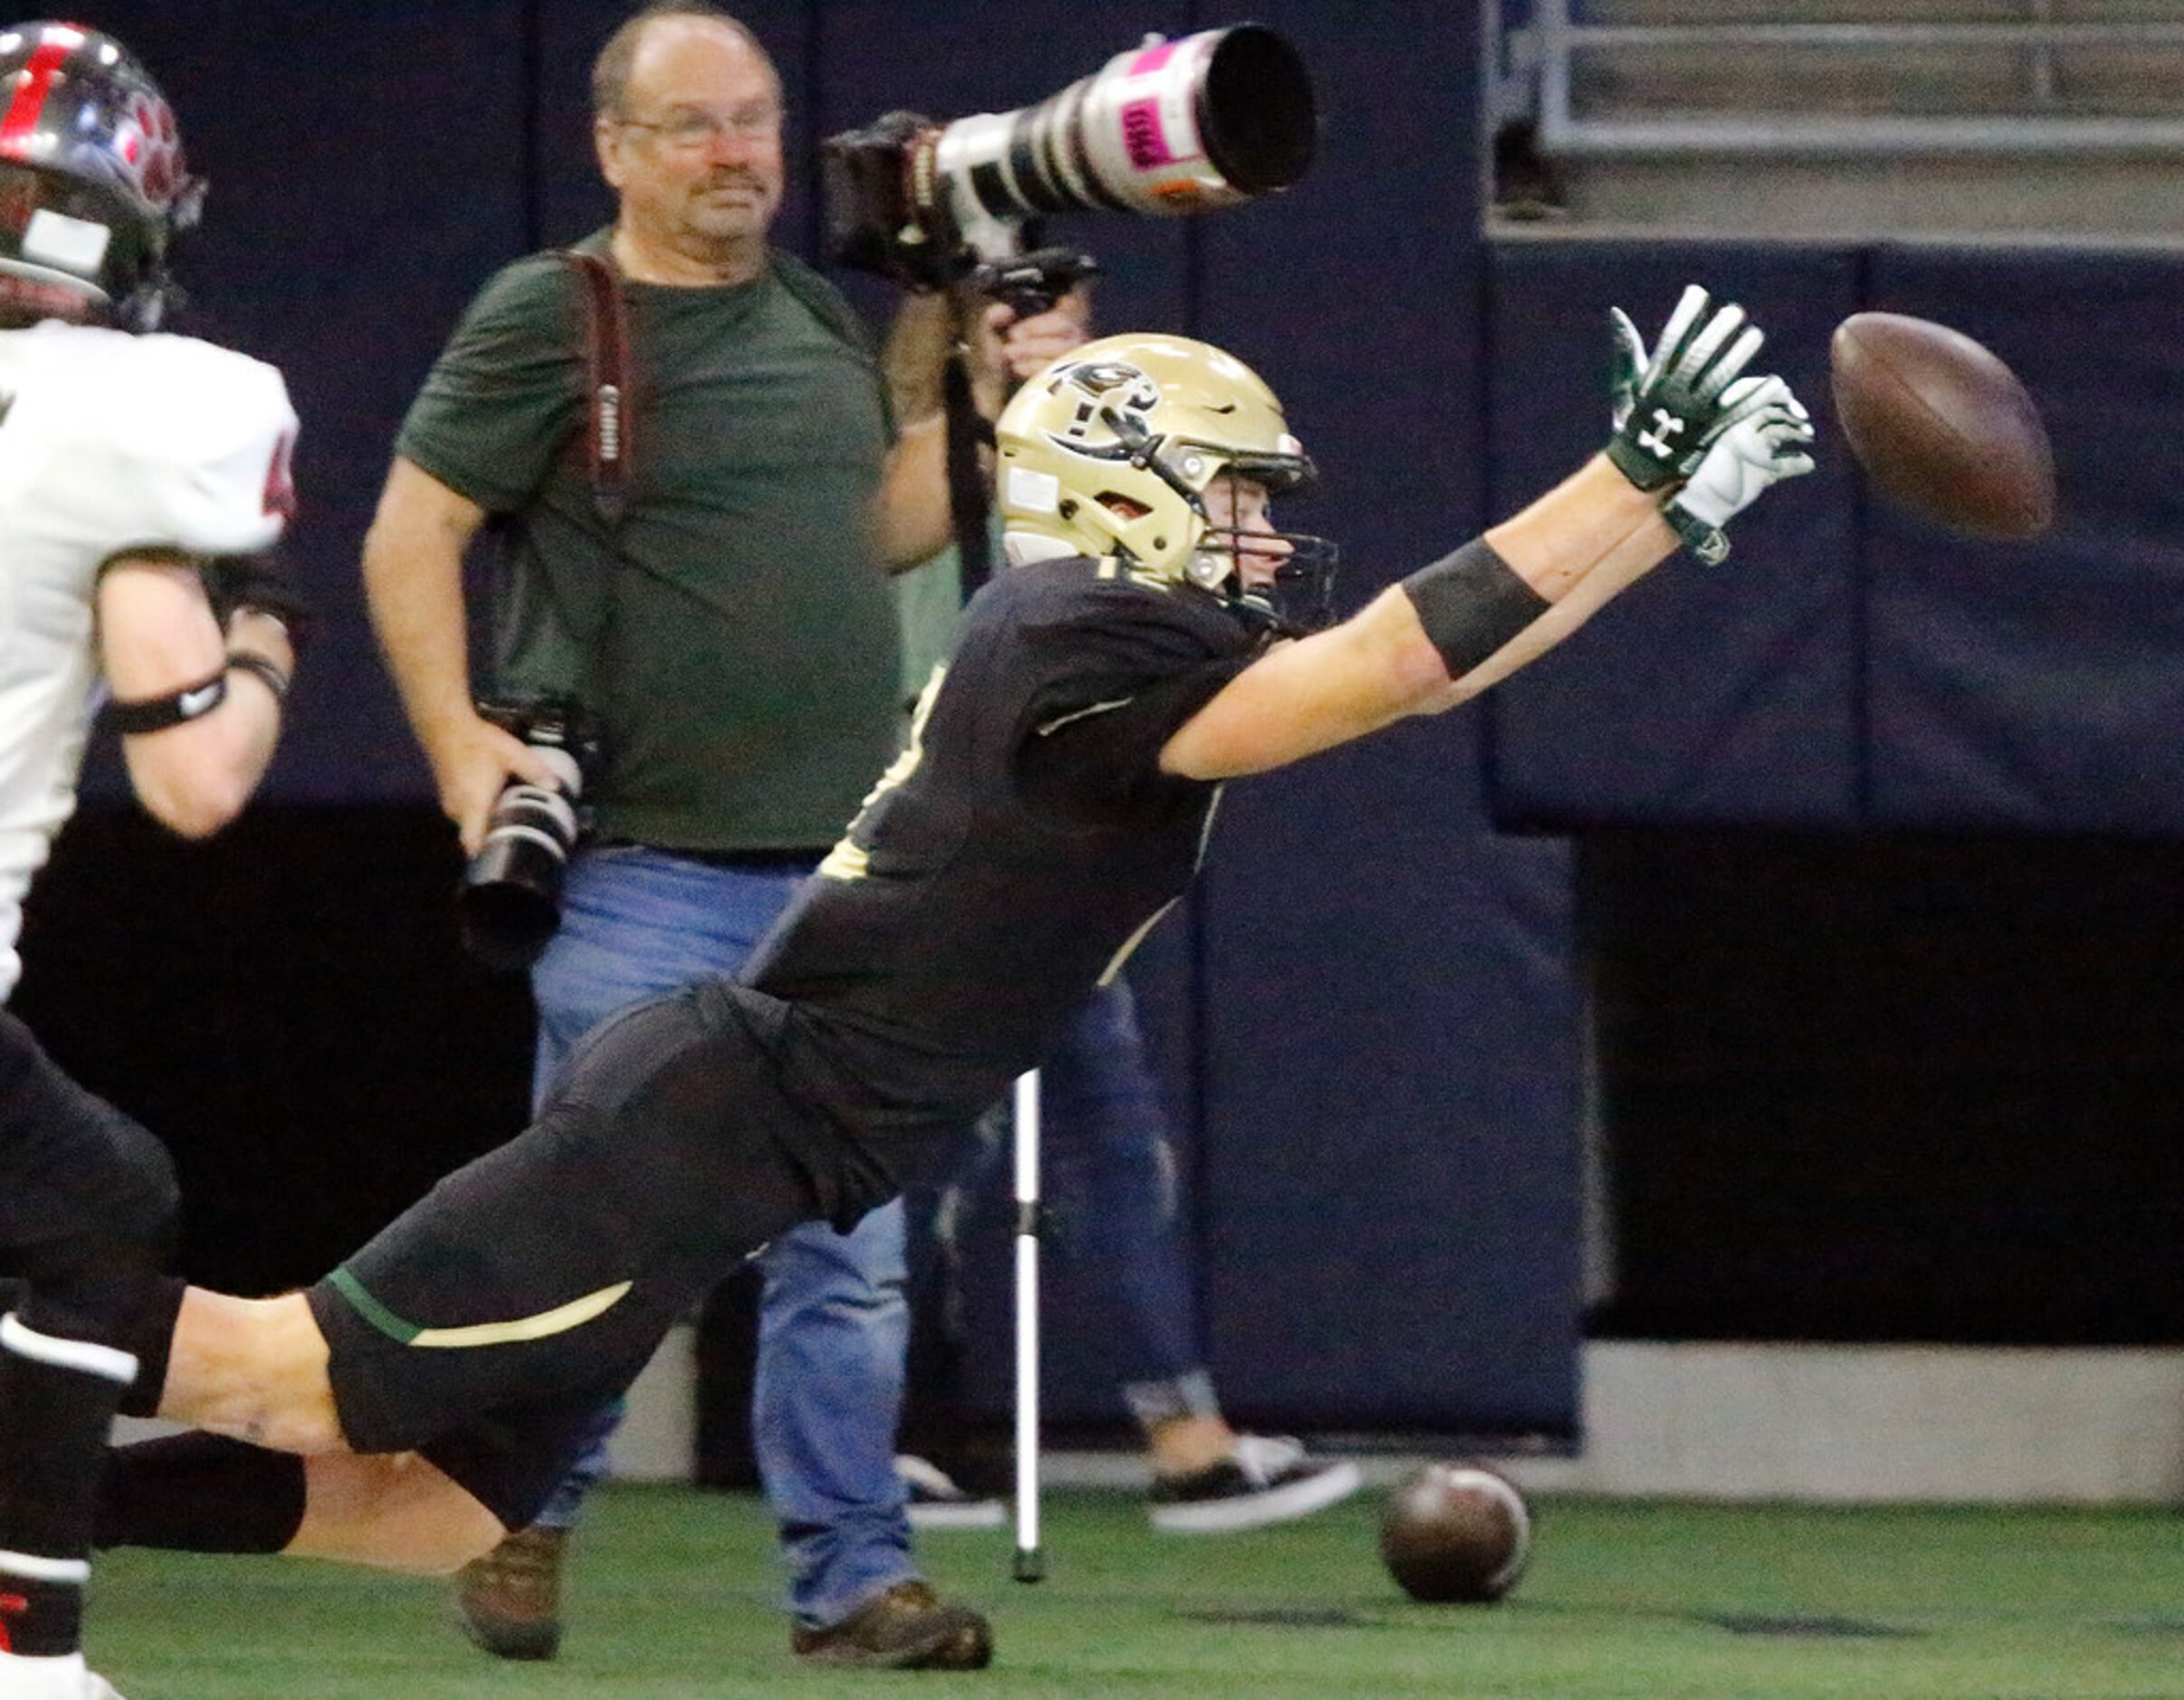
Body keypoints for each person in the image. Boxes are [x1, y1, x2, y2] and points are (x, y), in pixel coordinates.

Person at [87, 289, 1816, 1659]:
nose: (1263, 535)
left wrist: (1663, 512)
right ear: (1126, 485)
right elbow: (1378, 669)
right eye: (1232, 496)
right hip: (705, 1121)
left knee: (434, 1512)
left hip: (744, 1145)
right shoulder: (1072, 630)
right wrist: (1621, 475)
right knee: (281, 1370)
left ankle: (47, 1499)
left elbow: (1421, 680)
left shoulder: (1113, 647)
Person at [357, 1, 1067, 1671]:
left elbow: (876, 533)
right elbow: (410, 530)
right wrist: (460, 746)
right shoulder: (550, 317)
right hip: (641, 871)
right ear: (613, 146)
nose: (739, 153)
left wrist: (981, 405)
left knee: (849, 1253)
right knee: (614, 1231)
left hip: (841, 873)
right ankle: (514, 1515)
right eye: (695, 125)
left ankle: (850, 1586)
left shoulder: (815, 313)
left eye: (753, 119)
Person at [889, 283, 1359, 1533]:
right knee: (916, 1147)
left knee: (1095, 1129)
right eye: (1013, 315)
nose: (1048, 333)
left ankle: (1181, 1432)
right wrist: (984, 411)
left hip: (1057, 836)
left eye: (1067, 318)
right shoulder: (915, 463)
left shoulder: (1129, 487)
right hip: (938, 838)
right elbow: (904, 553)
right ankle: (872, 1433)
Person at [0, 22, 300, 1700]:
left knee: (80, 1183)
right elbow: (193, 778)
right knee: (97, 1199)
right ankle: (27, 1650)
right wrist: (260, 636)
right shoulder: (122, 418)